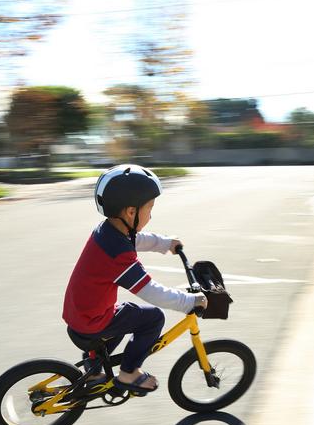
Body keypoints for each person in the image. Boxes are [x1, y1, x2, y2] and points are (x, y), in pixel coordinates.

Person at [62, 165, 207, 393]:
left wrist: (165, 243)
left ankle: (94, 362)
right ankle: (129, 373)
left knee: (126, 313)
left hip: (80, 313)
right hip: (92, 320)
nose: (151, 214)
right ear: (131, 212)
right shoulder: (118, 255)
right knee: (152, 318)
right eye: (149, 208)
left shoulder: (107, 232)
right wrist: (189, 302)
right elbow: (151, 291)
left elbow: (135, 239)